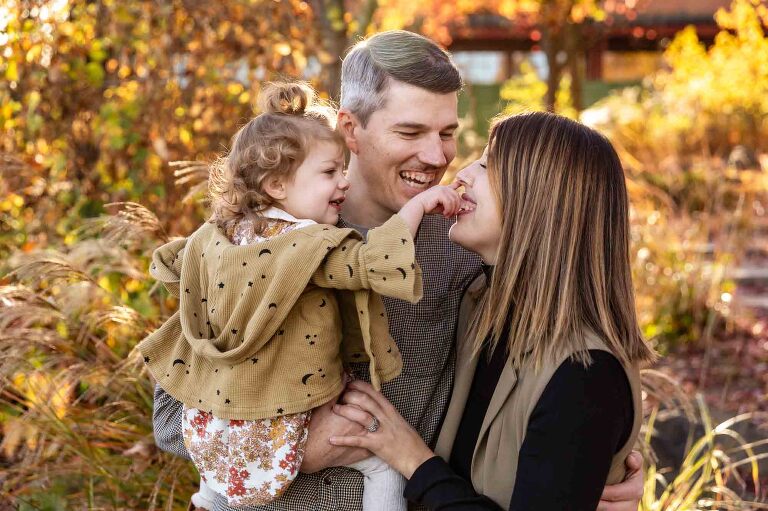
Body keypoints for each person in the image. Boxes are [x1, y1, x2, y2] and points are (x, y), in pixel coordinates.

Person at [151, 30, 646, 511]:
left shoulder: (465, 252)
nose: (436, 158)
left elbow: (554, 379)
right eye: (409, 132)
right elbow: (171, 419)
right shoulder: (253, 242)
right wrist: (295, 451)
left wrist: (596, 477)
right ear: (351, 130)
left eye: (448, 134)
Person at [138, 82, 465, 509]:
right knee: (384, 464)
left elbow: (172, 271)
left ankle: (209, 501)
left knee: (217, 481)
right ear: (277, 184)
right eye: (330, 172)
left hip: (216, 419)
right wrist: (418, 210)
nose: (343, 182)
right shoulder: (311, 246)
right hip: (289, 410)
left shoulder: (213, 240)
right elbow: (371, 262)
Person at [328, 112, 657, 510]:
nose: (461, 172)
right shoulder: (480, 303)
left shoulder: (585, 376)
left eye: (486, 164)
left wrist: (413, 458)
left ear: (537, 200)